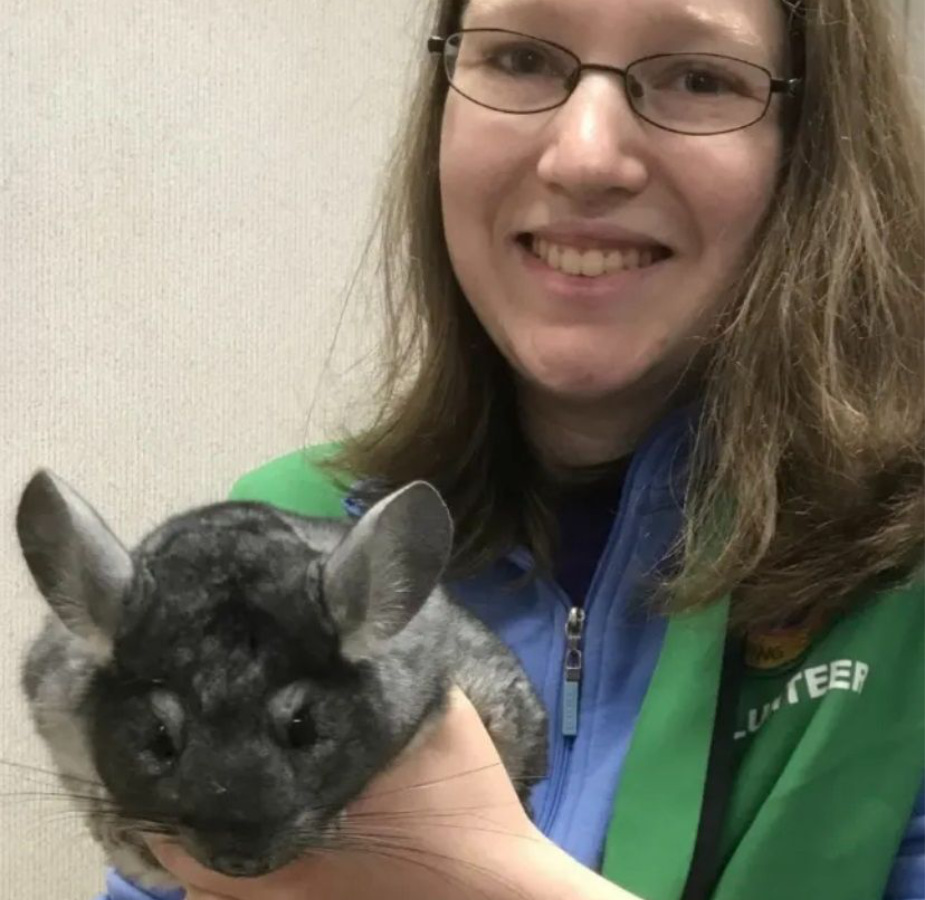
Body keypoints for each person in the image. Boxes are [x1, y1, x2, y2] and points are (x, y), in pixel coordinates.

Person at [97, 0, 924, 898]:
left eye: (698, 78)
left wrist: (482, 875)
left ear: (808, 148)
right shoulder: (280, 538)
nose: (584, 156)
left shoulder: (901, 577)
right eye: (522, 58)